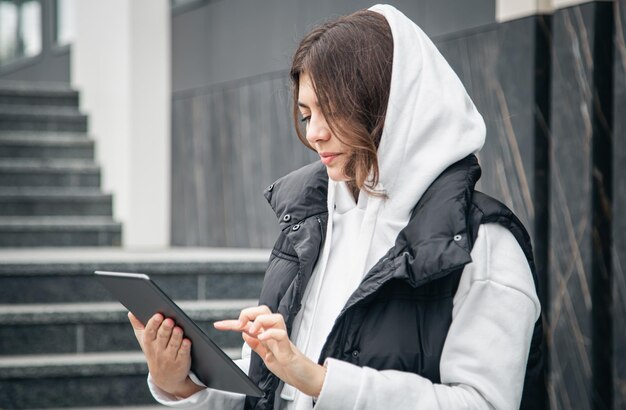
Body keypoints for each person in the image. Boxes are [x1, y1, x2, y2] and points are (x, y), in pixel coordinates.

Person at [128, 4, 545, 409]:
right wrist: (182, 384)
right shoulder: (311, 223)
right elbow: (279, 386)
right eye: (307, 114)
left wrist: (322, 381)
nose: (315, 134)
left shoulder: (482, 244)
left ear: (390, 106)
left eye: (334, 110)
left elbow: (484, 402)